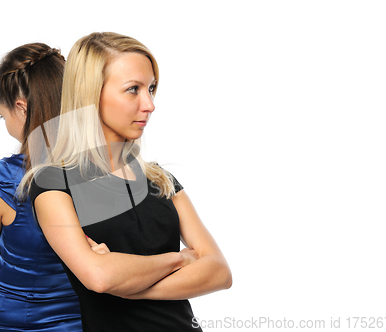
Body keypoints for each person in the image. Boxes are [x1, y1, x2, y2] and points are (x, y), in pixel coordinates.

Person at [21, 32, 232, 332]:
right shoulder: (53, 183)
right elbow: (99, 277)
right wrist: (180, 259)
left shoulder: (161, 180)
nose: (149, 104)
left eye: (152, 88)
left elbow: (220, 272)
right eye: (133, 89)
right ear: (90, 94)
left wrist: (127, 285)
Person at [0, 43, 83, 332]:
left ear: (22, 109)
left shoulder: (7, 179)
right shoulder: (103, 171)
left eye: (2, 114)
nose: (5, 123)